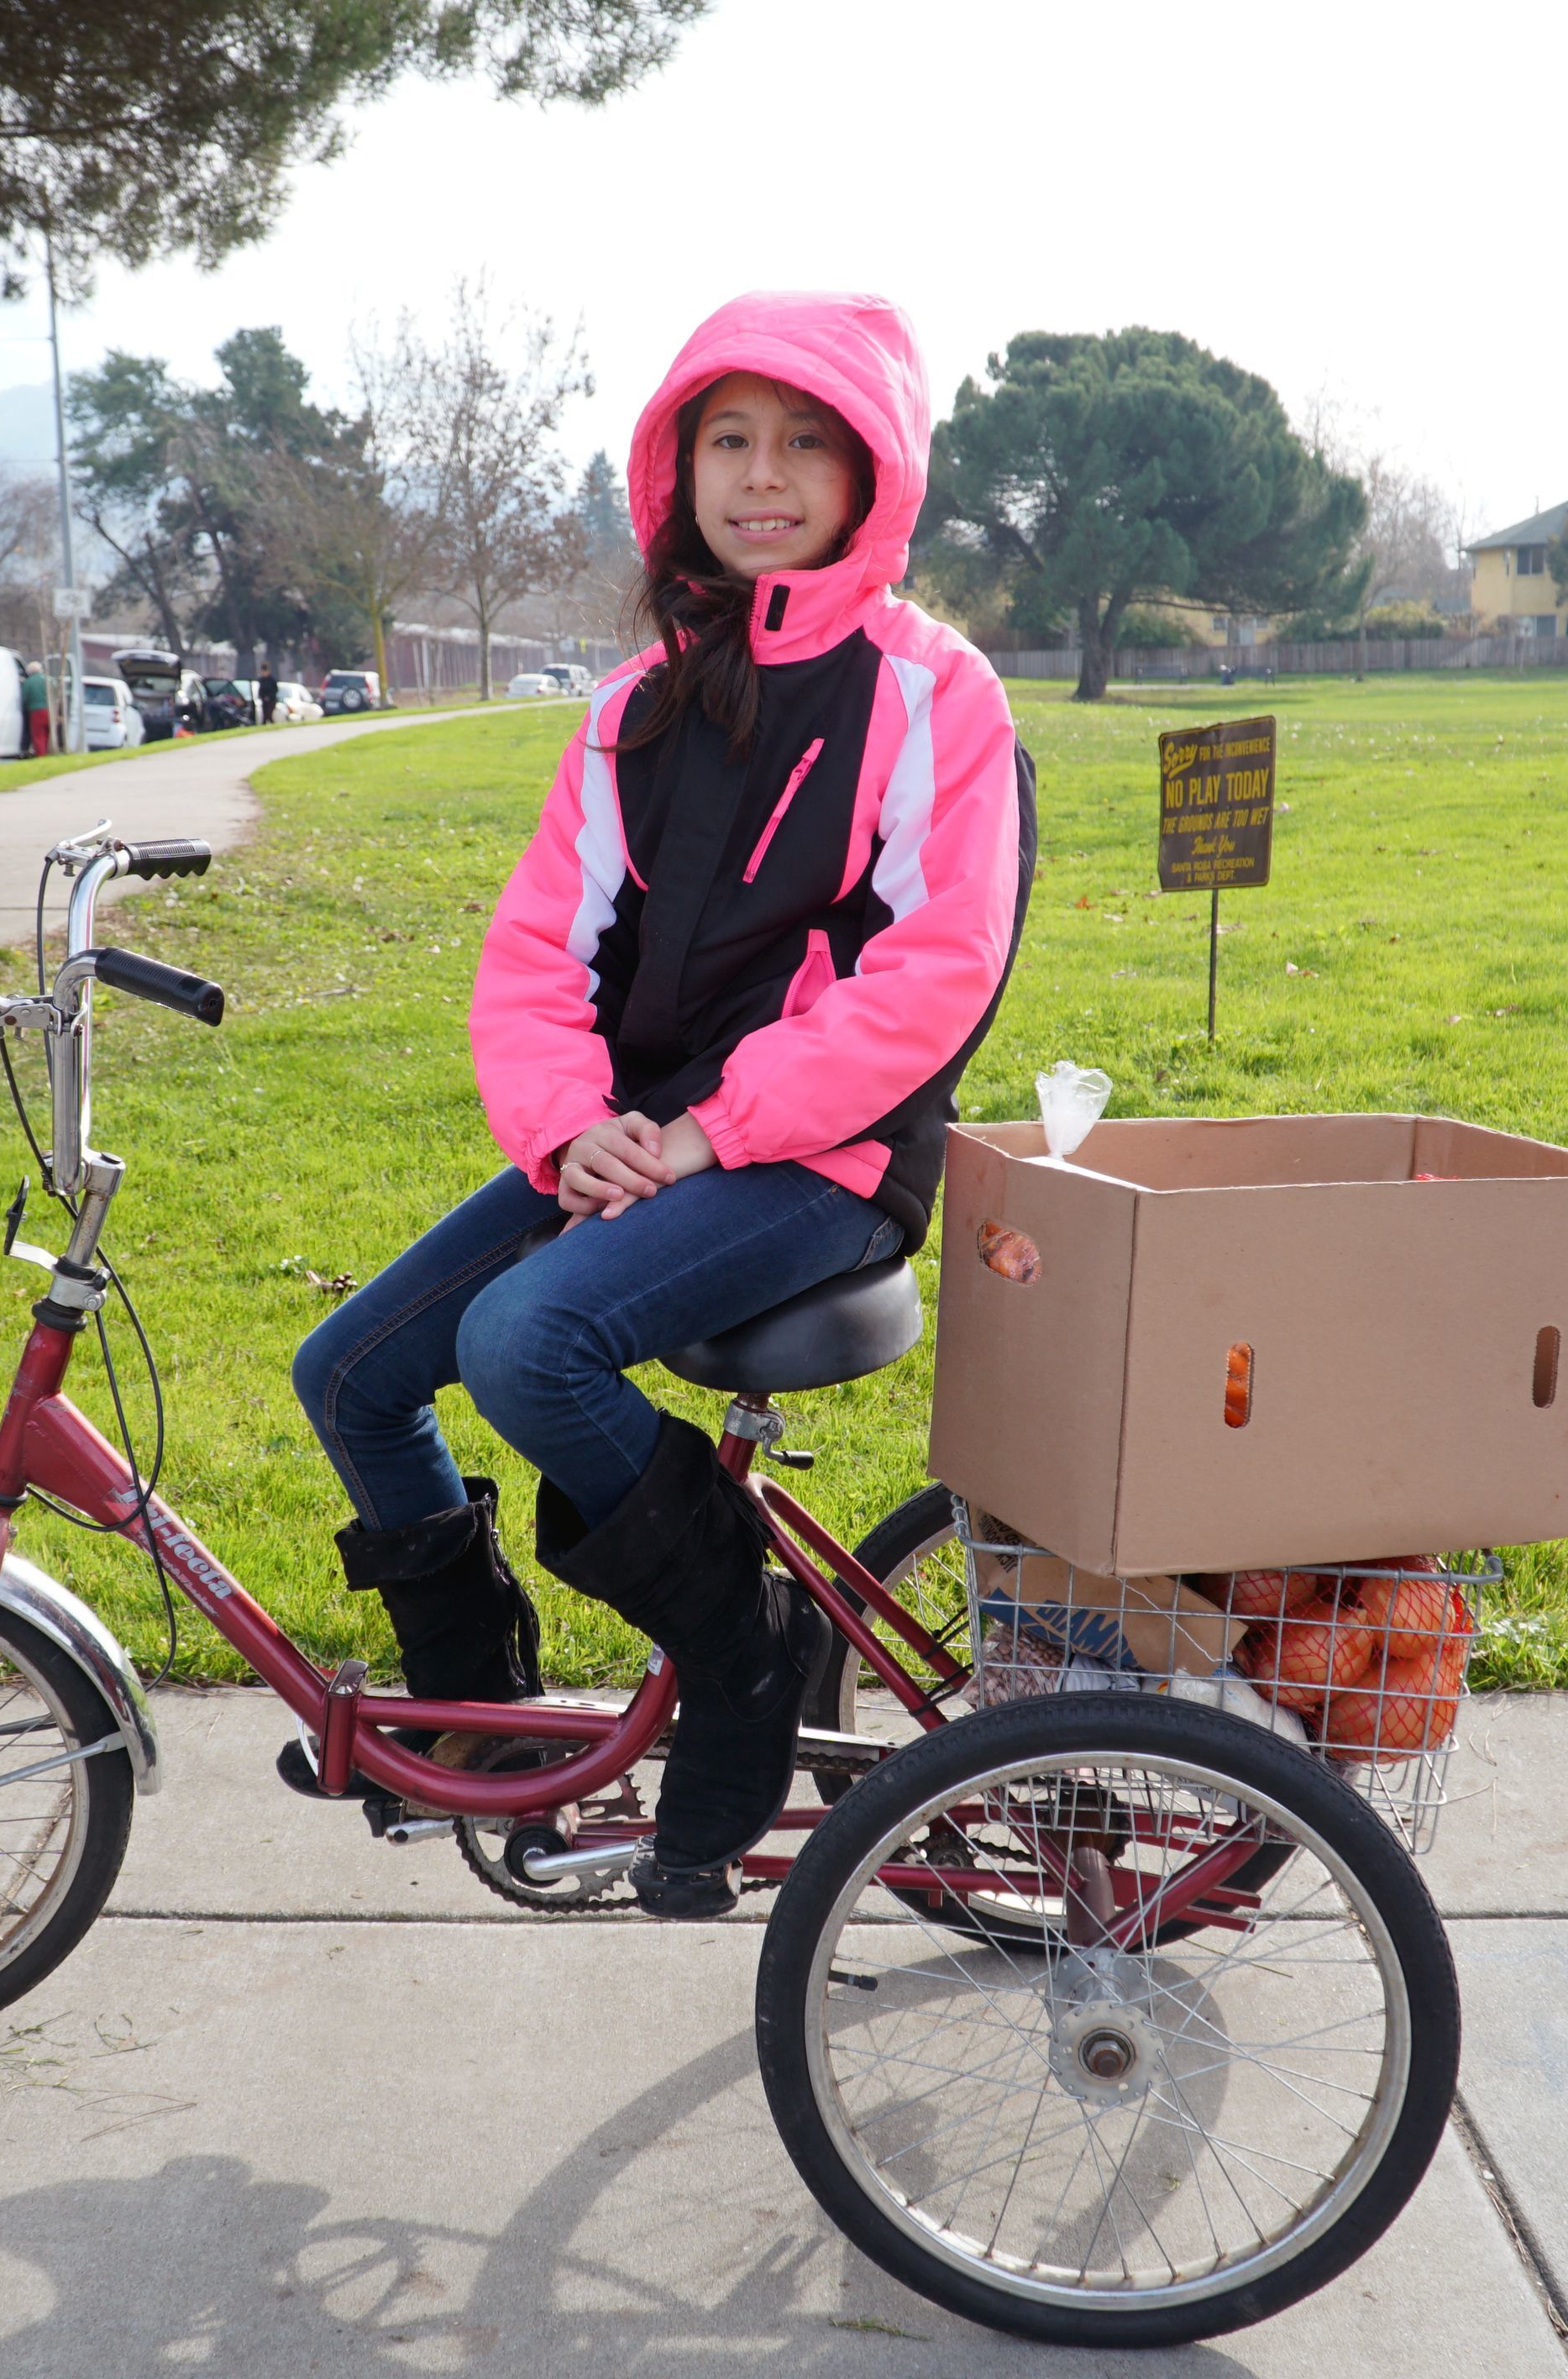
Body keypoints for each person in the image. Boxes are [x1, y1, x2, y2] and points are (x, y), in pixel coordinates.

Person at [288, 292, 1033, 1918]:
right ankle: (480, 1719)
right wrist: (567, 1128)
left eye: (805, 443)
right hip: (632, 1142)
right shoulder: (635, 705)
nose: (762, 476)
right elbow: (539, 948)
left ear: (872, 476)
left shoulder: (931, 693)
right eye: (729, 439)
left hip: (829, 1155)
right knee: (349, 1369)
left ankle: (741, 1650)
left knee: (523, 1343)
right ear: (676, 466)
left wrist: (712, 1128)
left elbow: (937, 973)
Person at [19, 659, 53, 757]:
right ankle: (48, 753)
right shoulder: (48, 679)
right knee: (48, 734)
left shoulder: (29, 682)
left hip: (36, 711)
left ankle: (41, 756)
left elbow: (24, 698)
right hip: (49, 710)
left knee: (39, 736)